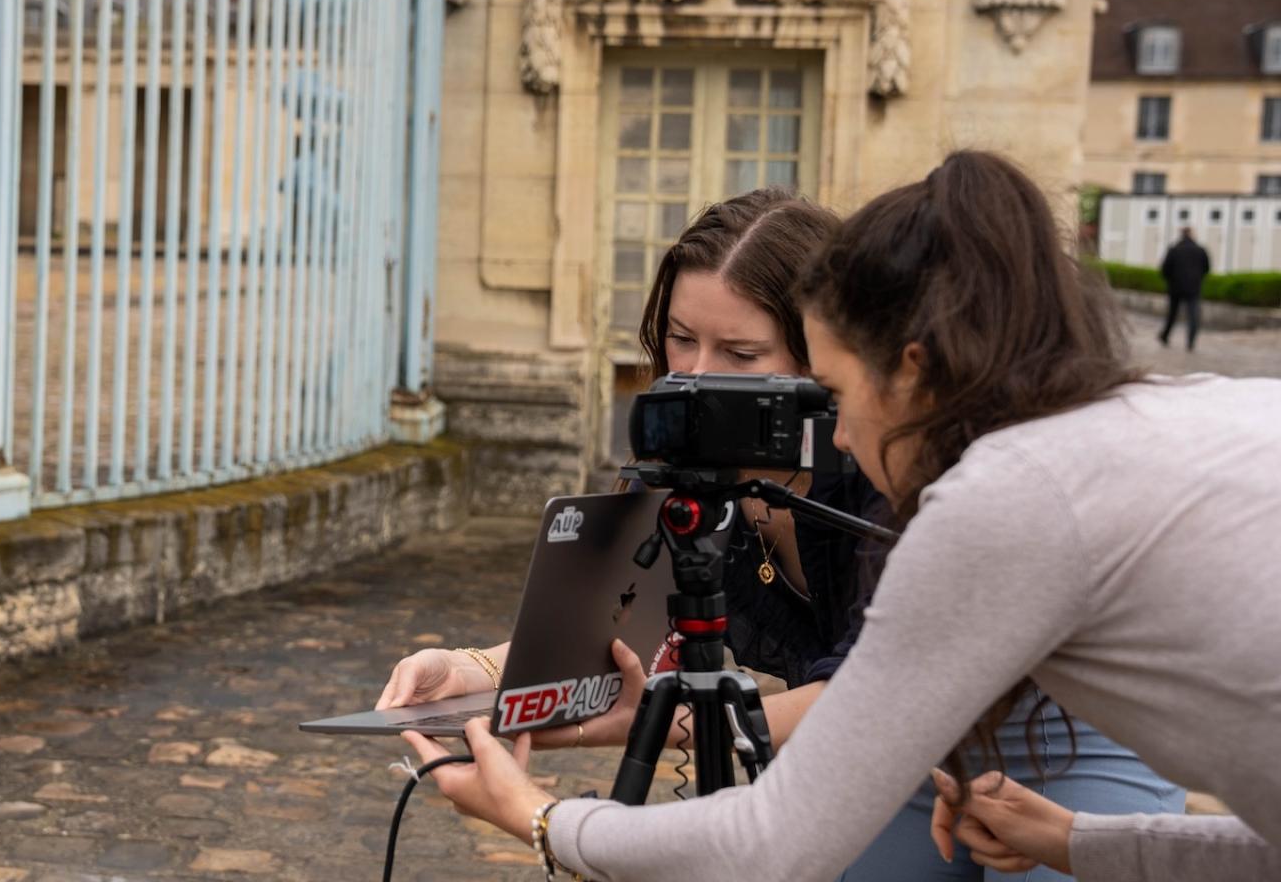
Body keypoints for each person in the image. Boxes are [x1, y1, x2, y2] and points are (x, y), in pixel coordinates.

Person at [402, 151, 1281, 880]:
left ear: (911, 365)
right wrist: (481, 665)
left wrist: (542, 819)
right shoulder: (1150, 421)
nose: (841, 433)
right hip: (911, 744)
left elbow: (775, 837)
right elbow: (634, 607)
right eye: (679, 339)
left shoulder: (991, 489)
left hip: (1046, 729)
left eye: (828, 389)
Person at [1157, 226, 1210, 351]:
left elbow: (1164, 269)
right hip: (1193, 287)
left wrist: (1171, 280)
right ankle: (1190, 342)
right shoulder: (1200, 250)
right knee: (1193, 316)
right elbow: (1206, 268)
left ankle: (1165, 335)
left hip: (1175, 287)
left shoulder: (1174, 249)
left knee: (1172, 314)